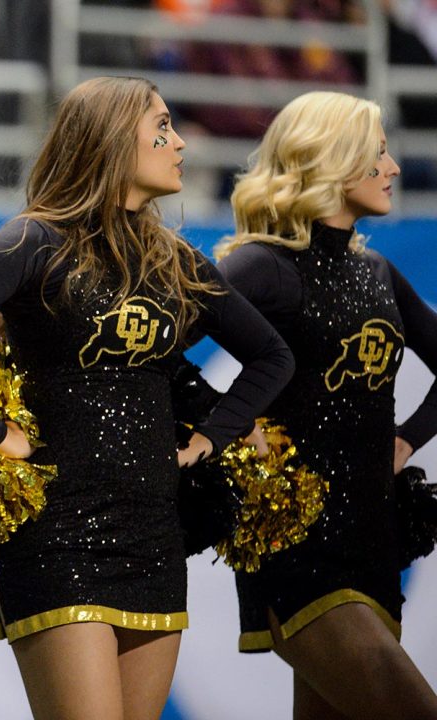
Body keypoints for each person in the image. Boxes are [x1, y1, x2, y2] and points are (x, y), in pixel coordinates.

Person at [0, 76, 294, 720]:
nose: (181, 142)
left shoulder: (175, 260)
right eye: (161, 128)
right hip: (58, 535)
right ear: (108, 142)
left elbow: (272, 355)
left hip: (154, 536)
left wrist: (213, 434)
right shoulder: (33, 240)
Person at [215, 91, 437, 719]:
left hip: (375, 538)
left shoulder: (379, 272)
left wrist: (407, 438)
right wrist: (235, 425)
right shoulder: (263, 267)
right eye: (379, 152)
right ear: (336, 161)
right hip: (298, 542)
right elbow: (160, 348)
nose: (394, 167)